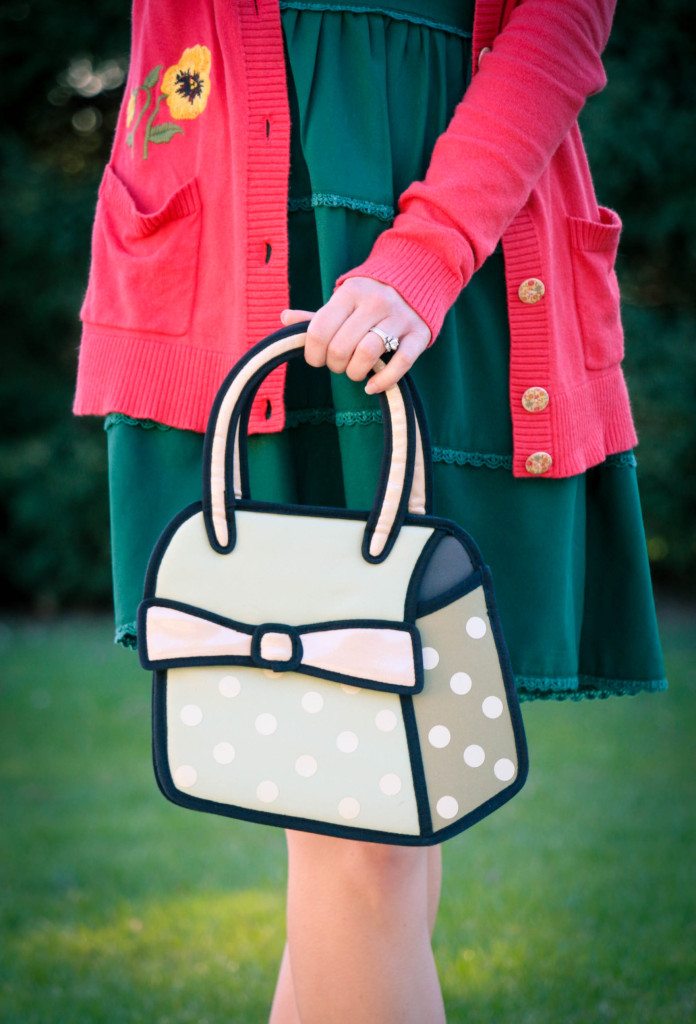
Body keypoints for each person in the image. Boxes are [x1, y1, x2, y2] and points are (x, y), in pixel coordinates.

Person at [72, 1, 669, 1020]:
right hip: (234, 252)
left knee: (381, 834)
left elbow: (563, 18)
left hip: (466, 256)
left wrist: (426, 256)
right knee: (369, 838)